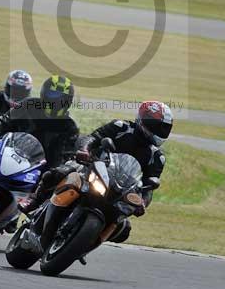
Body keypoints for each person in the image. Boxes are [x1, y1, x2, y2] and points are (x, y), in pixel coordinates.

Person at [21, 101, 173, 244]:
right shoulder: (121, 127)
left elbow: (149, 186)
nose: (160, 131)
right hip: (92, 168)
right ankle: (34, 200)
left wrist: (143, 203)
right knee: (61, 171)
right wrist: (84, 150)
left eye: (164, 128)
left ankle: (85, 244)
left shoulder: (157, 157)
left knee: (124, 228)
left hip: (119, 190)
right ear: (144, 120)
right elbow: (92, 137)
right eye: (157, 126)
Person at [0, 75, 79, 171]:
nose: (55, 101)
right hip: (5, 156)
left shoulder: (69, 127)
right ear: (44, 93)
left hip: (36, 172)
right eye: (52, 95)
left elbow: (62, 159)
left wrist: (50, 175)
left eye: (60, 98)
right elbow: (1, 121)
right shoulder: (28, 104)